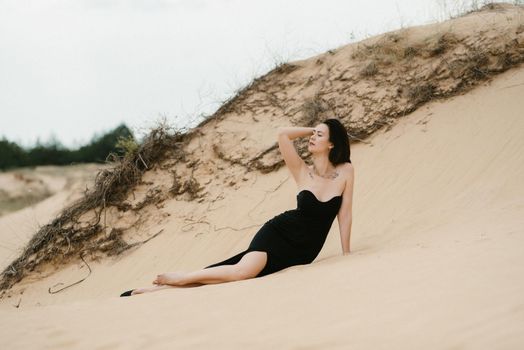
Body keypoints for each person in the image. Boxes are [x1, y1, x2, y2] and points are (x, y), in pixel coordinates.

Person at [120, 118, 354, 297]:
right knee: (242, 272)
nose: (312, 137)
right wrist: (313, 128)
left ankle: (159, 290)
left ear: (332, 143)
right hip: (279, 234)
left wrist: (347, 255)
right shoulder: (303, 170)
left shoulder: (346, 171)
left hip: (303, 251)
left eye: (319, 135)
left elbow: (344, 215)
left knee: (230, 271)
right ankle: (180, 279)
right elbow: (283, 135)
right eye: (312, 134)